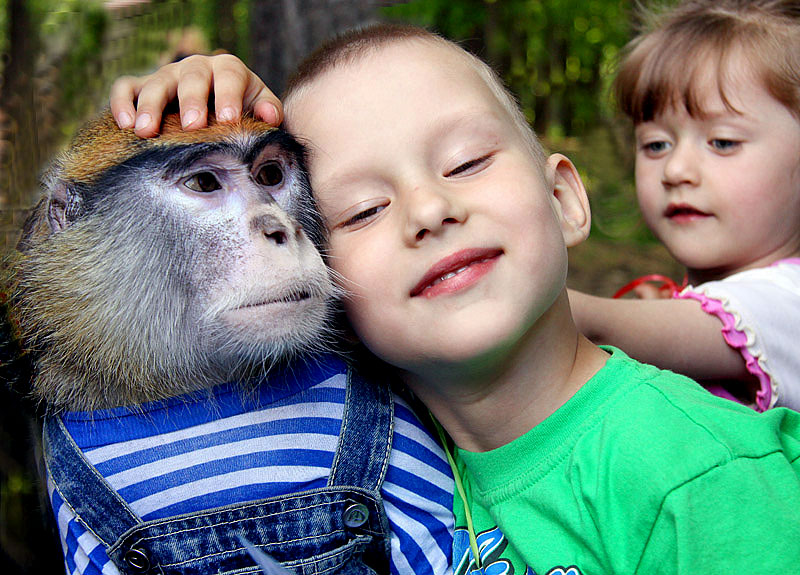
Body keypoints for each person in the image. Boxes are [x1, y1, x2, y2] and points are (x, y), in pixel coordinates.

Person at [111, 22, 800, 574]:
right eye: (364, 209)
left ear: (562, 200)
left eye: (466, 163)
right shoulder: (371, 447)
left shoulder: (694, 474)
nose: (429, 209)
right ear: (315, 281)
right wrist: (207, 121)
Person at [566, 0, 800, 413]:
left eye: (722, 142)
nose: (675, 169)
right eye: (656, 144)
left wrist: (539, 305)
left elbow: (600, 325)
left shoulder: (789, 302)